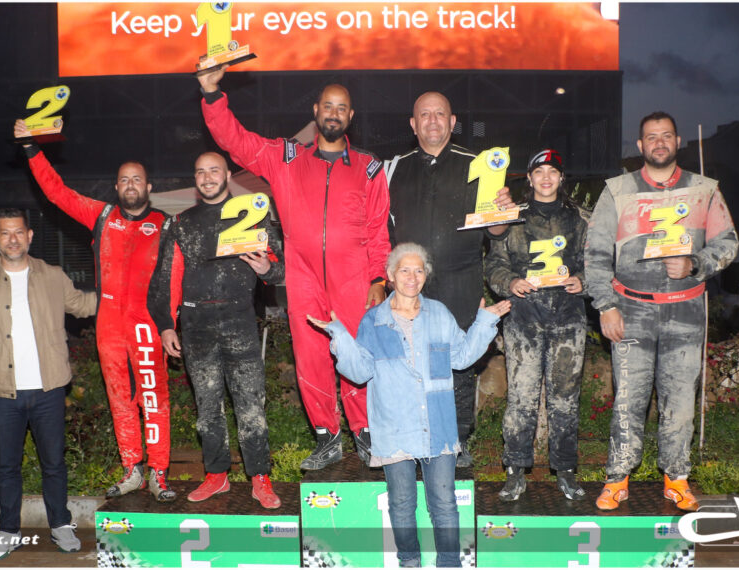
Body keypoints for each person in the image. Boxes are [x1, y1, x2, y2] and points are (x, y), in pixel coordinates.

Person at [198, 68, 391, 470]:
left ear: (351, 116)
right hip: (303, 277)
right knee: (311, 357)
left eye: (342, 108)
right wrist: (212, 93)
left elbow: (378, 230)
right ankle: (326, 437)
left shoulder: (369, 168)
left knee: (357, 355)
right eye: (328, 106)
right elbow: (236, 141)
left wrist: (378, 279)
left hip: (355, 278)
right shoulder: (286, 157)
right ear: (316, 111)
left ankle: (365, 432)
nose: (334, 113)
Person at [308, 243, 510, 567]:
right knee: (401, 503)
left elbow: (461, 358)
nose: (412, 277)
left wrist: (484, 323)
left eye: (419, 270)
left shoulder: (439, 314)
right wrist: (340, 337)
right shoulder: (374, 321)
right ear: (390, 275)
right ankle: (409, 562)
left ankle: (449, 563)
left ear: (425, 276)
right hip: (394, 425)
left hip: (437, 424)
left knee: (444, 504)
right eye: (405, 270)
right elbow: (359, 372)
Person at [14, 119, 177, 501]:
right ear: (116, 187)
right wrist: (31, 149)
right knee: (119, 397)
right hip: (109, 325)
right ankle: (132, 469)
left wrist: (171, 322)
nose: (131, 185)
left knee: (154, 398)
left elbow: (179, 277)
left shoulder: (166, 225)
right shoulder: (102, 216)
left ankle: (159, 471)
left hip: (146, 324)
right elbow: (57, 192)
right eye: (124, 180)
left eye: (137, 179)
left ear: (149, 188)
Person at [584, 112, 738, 511]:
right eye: (651, 137)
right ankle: (617, 478)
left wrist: (695, 264)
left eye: (666, 135)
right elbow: (595, 254)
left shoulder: (704, 190)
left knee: (680, 401)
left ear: (678, 141)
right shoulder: (617, 191)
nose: (659, 142)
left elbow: (728, 243)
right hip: (631, 310)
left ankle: (676, 478)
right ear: (640, 145)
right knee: (628, 400)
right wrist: (605, 306)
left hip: (685, 313)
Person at [0, 208, 97, 560]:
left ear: (30, 236)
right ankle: (8, 530)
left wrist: (119, 292)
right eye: (5, 233)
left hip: (49, 388)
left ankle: (60, 524)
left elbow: (81, 305)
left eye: (19, 232)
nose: (13, 239)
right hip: (3, 392)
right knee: (6, 466)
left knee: (54, 463)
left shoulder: (52, 276)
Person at [386, 91, 516, 467]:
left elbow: (496, 231)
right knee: (408, 363)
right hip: (410, 285)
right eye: (424, 115)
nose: (432, 121)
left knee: (458, 363)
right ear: (413, 124)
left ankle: (457, 441)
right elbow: (380, 229)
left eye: (440, 114)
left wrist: (503, 213)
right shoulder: (394, 169)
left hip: (461, 279)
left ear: (453, 122)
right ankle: (413, 439)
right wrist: (385, 279)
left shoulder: (479, 166)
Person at [147, 152, 284, 509]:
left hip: (240, 321)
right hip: (197, 327)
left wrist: (267, 268)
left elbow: (281, 267)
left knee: (251, 405)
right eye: (200, 172)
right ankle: (216, 475)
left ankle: (260, 477)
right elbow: (166, 278)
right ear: (195, 179)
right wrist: (166, 325)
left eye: (214, 171)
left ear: (227, 175)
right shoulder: (180, 223)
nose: (207, 177)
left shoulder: (251, 214)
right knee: (207, 408)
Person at [485, 149, 591, 501]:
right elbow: (494, 265)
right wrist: (510, 282)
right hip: (524, 321)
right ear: (529, 179)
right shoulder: (511, 218)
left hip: (568, 321)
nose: (546, 178)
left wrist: (583, 280)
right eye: (539, 172)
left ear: (561, 178)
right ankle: (515, 471)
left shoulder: (581, 219)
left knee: (565, 401)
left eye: (553, 172)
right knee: (522, 399)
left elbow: (599, 262)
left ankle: (566, 471)